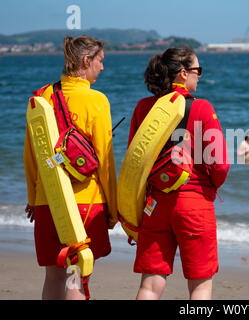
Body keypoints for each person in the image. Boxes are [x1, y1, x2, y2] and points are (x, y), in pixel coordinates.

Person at [128, 46, 230, 300]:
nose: (200, 76)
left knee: (150, 285)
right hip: (194, 205)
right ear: (183, 74)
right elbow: (220, 164)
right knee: (200, 285)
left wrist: (131, 209)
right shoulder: (203, 108)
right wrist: (211, 187)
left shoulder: (143, 107)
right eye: (198, 70)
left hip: (155, 205)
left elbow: (134, 163)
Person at [23, 36, 118, 299]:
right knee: (77, 274)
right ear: (86, 60)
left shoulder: (42, 97)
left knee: (53, 275)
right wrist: (113, 208)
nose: (102, 68)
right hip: (84, 203)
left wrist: (33, 198)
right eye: (100, 61)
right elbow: (105, 162)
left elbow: (31, 155)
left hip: (47, 201)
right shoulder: (96, 100)